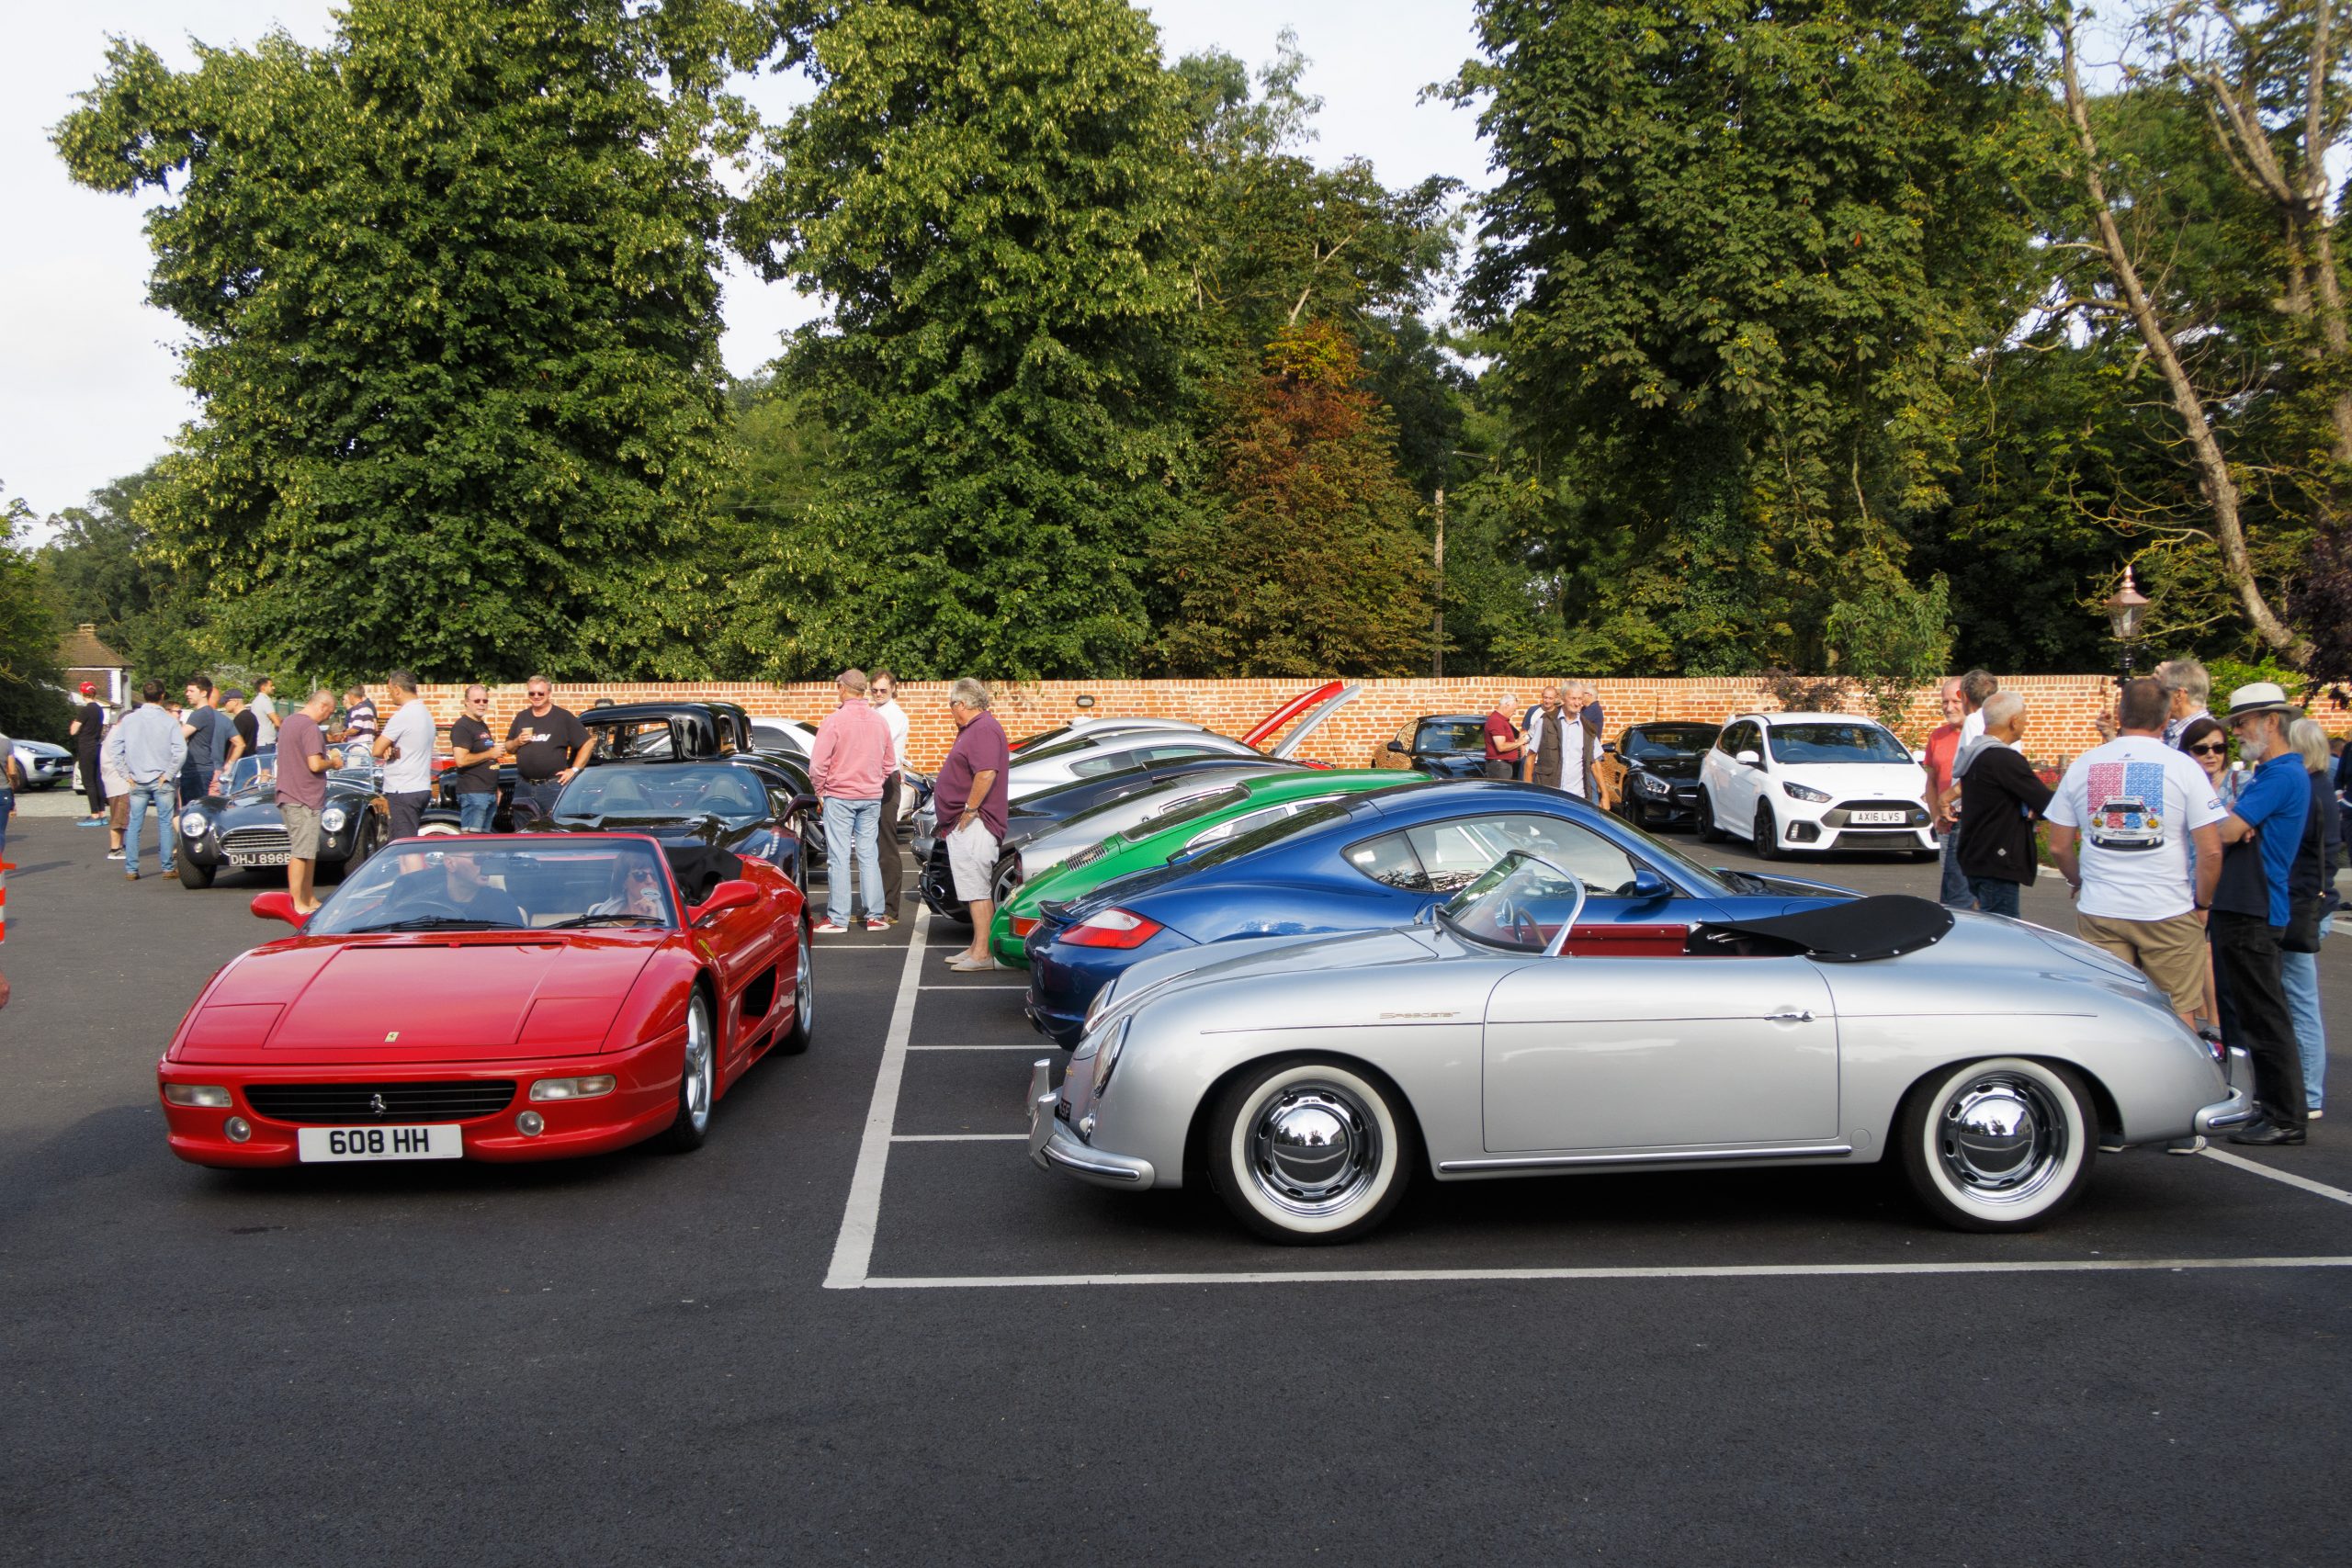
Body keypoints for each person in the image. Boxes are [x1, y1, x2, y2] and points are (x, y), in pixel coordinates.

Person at [2044, 678, 2225, 1040]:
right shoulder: (2183, 767)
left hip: (2102, 908)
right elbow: (2211, 850)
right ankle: (2182, 1089)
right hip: (2167, 909)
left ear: (2121, 714)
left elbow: (2059, 846)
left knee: (2107, 1010)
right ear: (2165, 720)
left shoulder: (2084, 765)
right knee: (2178, 1011)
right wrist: (2202, 903)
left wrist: (2078, 880)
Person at [2207, 682, 2312, 1146]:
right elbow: (2231, 827)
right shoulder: (2274, 774)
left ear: (2272, 721)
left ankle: (2286, 1116)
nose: (2237, 733)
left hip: (2255, 906)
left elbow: (2228, 829)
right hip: (2245, 904)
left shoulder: (2281, 775)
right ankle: (2272, 1108)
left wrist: (2231, 822)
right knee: (2254, 1015)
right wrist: (2231, 823)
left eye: (2243, 723)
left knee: (2265, 1016)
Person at [2282, 717, 2340, 1122]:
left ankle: (2308, 1093)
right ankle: (2306, 1090)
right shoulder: (2321, 788)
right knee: (2297, 1001)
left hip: (2302, 906)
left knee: (2299, 1003)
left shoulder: (2307, 793)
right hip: (2316, 902)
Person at [1949, 692, 2052, 919]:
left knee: (1986, 927)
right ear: (2014, 720)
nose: (2027, 722)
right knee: (2004, 933)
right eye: (2025, 716)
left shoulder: (1975, 753)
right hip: (1998, 860)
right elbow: (2046, 803)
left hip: (1977, 856)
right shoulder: (2005, 759)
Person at [808, 668, 893, 934]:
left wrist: (820, 791)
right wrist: (874, 782)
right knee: (868, 854)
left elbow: (817, 765)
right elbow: (889, 763)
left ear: (843, 689)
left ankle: (838, 918)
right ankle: (876, 916)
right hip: (870, 796)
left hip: (840, 795)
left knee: (839, 857)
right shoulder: (880, 721)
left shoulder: (834, 721)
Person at [936, 677, 1011, 971]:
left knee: (977, 889)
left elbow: (986, 773)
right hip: (966, 822)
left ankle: (983, 953)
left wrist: (969, 809)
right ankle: (976, 947)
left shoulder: (983, 729)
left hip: (975, 823)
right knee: (970, 888)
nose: (950, 711)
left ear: (962, 704)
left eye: (951, 705)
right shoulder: (976, 729)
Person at [277, 689, 345, 915]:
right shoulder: (310, 727)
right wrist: (333, 762)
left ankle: (309, 897)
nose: (329, 716)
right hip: (302, 797)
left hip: (292, 793)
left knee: (308, 851)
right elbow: (315, 764)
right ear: (323, 706)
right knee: (301, 851)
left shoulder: (289, 722)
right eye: (331, 711)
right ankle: (297, 902)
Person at [115, 678, 187, 881]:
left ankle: (131, 869)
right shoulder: (169, 721)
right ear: (162, 696)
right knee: (164, 823)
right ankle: (167, 867)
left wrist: (125, 774)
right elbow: (180, 752)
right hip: (161, 778)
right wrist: (169, 774)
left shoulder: (129, 720)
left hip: (136, 779)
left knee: (134, 823)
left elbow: (115, 748)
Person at [503, 677, 593, 824]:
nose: (536, 697)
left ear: (549, 693)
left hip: (552, 786)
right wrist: (517, 741)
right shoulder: (522, 717)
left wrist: (574, 770)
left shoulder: (562, 717)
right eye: (532, 693)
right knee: (522, 830)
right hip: (524, 785)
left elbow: (587, 743)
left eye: (540, 693)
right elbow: (509, 748)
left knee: (554, 828)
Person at [869, 669, 911, 924]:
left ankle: (890, 907)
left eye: (883, 690)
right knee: (870, 844)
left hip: (886, 779)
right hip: (874, 778)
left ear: (894, 689)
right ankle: (874, 904)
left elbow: (881, 747)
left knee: (886, 843)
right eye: (874, 690)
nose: (878, 694)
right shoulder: (875, 712)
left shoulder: (895, 715)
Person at [375, 671, 437, 840]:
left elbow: (376, 750)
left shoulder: (403, 715)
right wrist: (393, 748)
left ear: (397, 689)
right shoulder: (425, 713)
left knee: (405, 845)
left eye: (389, 690)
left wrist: (388, 747)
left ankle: (413, 869)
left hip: (403, 789)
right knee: (402, 842)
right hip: (420, 785)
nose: (390, 695)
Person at [1924, 678, 1970, 908]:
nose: (1949, 707)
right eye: (1944, 701)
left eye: (1955, 701)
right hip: (1945, 826)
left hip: (1972, 826)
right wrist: (1935, 817)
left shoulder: (1978, 735)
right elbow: (1930, 782)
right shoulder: (1937, 736)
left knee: (1972, 891)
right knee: (1952, 890)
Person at [446, 684, 503, 832]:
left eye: (485, 701)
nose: (482, 704)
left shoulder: (481, 725)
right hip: (474, 793)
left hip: (487, 792)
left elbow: (488, 759)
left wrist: (495, 788)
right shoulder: (462, 727)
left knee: (483, 844)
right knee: (471, 841)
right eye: (477, 701)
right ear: (466, 702)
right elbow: (461, 760)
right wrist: (490, 754)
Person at [177, 677, 221, 806]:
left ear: (203, 693)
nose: (187, 694)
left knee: (193, 811)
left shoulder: (200, 714)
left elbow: (179, 736)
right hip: (197, 768)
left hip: (197, 769)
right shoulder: (203, 713)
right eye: (187, 691)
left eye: (191, 691)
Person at [69, 680, 107, 825]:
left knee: (88, 781)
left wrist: (74, 722)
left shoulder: (85, 710)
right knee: (97, 779)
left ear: (82, 693)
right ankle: (102, 812)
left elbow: (74, 731)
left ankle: (94, 814)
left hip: (86, 747)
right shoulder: (99, 709)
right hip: (97, 745)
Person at [99, 705, 133, 862]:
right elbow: (121, 759)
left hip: (115, 781)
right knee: (119, 818)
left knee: (121, 816)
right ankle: (115, 849)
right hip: (118, 783)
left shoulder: (114, 734)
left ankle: (120, 846)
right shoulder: (116, 737)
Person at [2155, 659, 2213, 748]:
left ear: (2178, 695)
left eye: (2162, 692)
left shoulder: (2201, 735)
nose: (2158, 698)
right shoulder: (2210, 727)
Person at [1521, 686, 1567, 789]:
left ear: (1556, 698)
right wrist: (1523, 752)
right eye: (1545, 697)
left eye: (1550, 698)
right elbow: (1524, 732)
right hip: (1530, 755)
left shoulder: (1558, 714)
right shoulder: (1533, 710)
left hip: (1546, 760)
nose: (1547, 701)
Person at [217, 688, 259, 781]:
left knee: (236, 794)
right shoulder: (252, 716)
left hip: (240, 764)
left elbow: (236, 744)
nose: (224, 705)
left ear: (235, 701)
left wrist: (229, 763)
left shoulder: (240, 719)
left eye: (226, 702)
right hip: (250, 761)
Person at [1481, 695, 1526, 781]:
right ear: (1506, 705)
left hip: (1502, 766)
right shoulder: (1496, 721)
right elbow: (1501, 747)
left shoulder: (1501, 720)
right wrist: (1519, 742)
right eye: (1514, 709)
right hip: (1499, 767)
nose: (1514, 713)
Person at [340, 683, 379, 759]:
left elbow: (356, 729)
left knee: (355, 769)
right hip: (368, 746)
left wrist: (344, 734)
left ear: (352, 696)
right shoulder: (368, 709)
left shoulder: (357, 709)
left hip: (358, 749)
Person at [249, 675, 279, 750]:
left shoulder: (257, 700)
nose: (273, 688)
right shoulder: (265, 701)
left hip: (261, 741)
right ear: (263, 688)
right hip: (267, 742)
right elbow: (277, 722)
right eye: (271, 686)